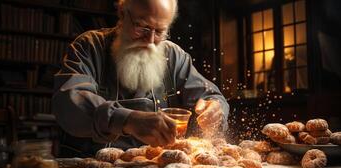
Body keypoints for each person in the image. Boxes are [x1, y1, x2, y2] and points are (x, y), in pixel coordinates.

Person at [52, 0, 229, 153]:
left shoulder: (174, 56)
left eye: (160, 31)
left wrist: (214, 108)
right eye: (142, 27)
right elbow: (68, 103)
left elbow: (210, 96)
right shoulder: (89, 46)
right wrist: (127, 120)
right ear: (122, 13)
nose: (150, 40)